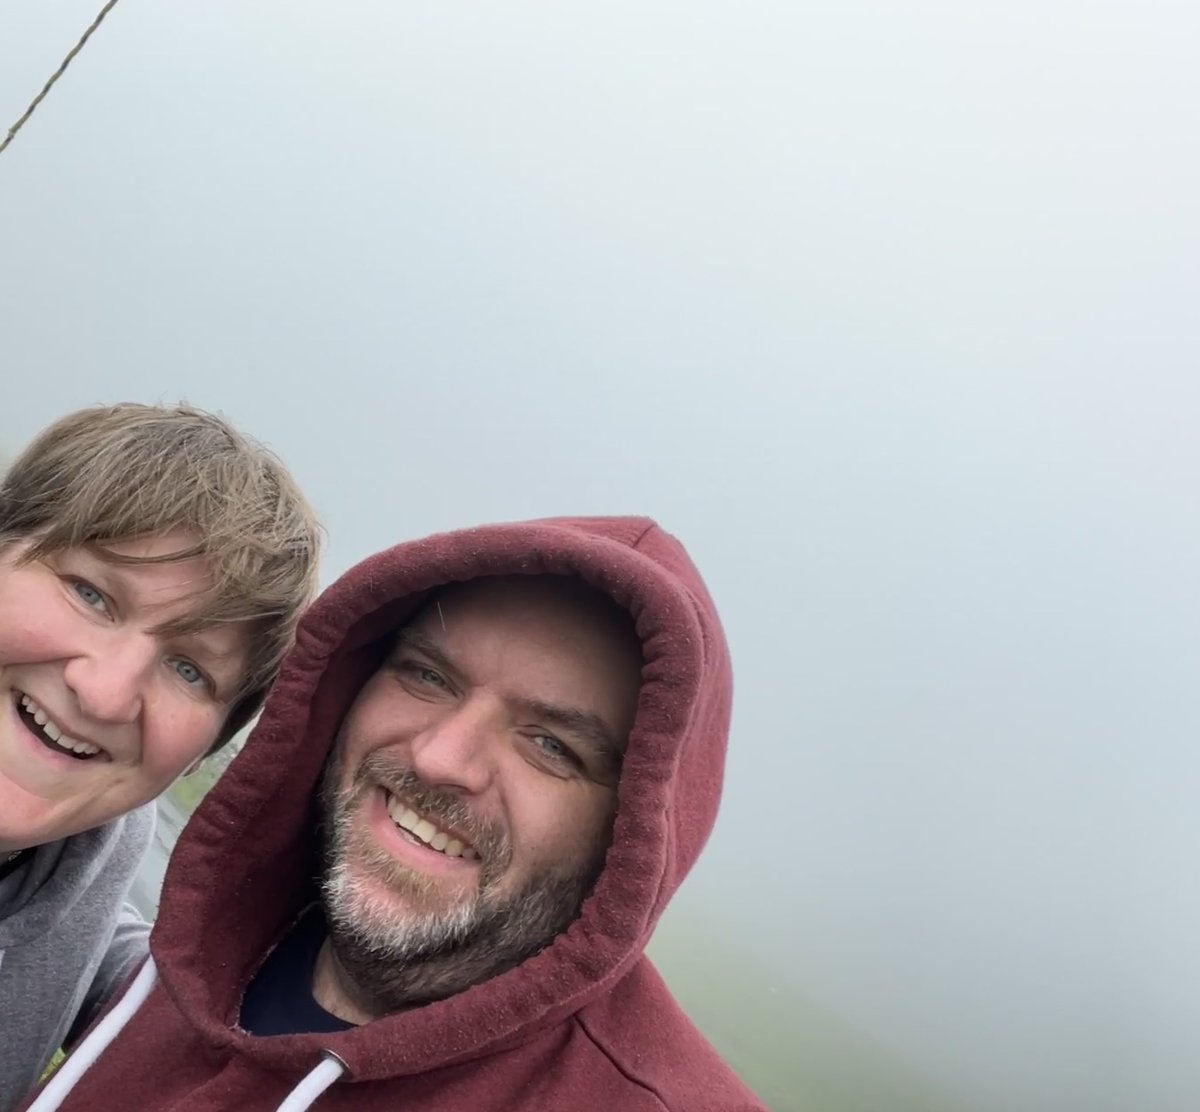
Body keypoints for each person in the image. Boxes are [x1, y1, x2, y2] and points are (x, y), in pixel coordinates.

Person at [24, 515, 764, 1111]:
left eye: (550, 745)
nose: (441, 758)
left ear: (631, 833)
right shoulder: (190, 968)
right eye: (426, 675)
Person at [0, 403, 321, 1112]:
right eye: (92, 594)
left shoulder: (101, 845)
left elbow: (91, 943)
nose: (106, 693)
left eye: (187, 669)